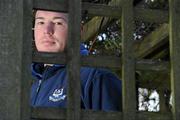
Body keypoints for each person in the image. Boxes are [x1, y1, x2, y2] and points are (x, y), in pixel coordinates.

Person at [31, 10, 122, 111]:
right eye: (41, 22)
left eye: (58, 23)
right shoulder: (33, 85)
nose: (47, 31)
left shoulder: (95, 78)